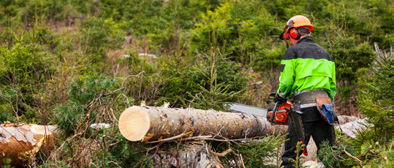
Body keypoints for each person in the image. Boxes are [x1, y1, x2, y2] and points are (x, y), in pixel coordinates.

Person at [275, 15, 337, 168]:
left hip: (302, 111)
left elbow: (286, 82)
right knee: (329, 154)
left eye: (290, 36)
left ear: (294, 33)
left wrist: (280, 96)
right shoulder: (325, 54)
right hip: (325, 109)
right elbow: (332, 87)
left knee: (290, 156)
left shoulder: (293, 52)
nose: (290, 40)